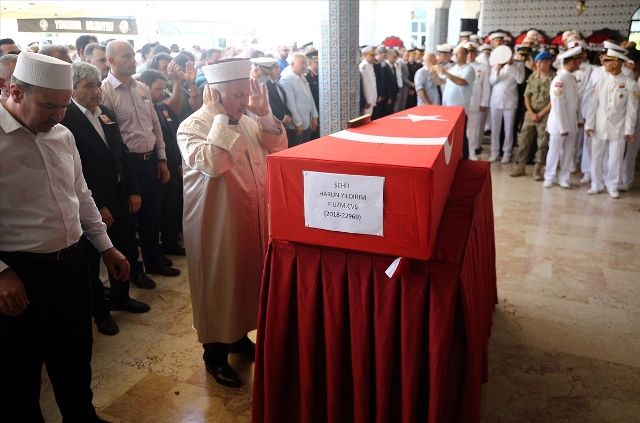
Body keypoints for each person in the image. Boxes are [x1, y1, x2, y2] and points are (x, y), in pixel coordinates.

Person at [0, 51, 129, 423]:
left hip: (71, 265)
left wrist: (106, 246)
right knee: (19, 372)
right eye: (49, 106)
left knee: (74, 356)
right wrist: (2, 273)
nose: (58, 115)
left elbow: (81, 195)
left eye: (64, 106)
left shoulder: (62, 134)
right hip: (20, 274)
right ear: (15, 93)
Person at [176, 59, 288, 387]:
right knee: (219, 286)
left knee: (247, 280)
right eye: (238, 95)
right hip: (217, 225)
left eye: (246, 94)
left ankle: (238, 338)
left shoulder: (247, 120)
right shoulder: (192, 126)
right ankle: (214, 355)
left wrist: (264, 113)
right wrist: (221, 118)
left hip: (253, 217)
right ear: (215, 94)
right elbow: (215, 163)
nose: (244, 102)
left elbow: (279, 147)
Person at [60, 62, 150, 336]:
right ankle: (100, 313)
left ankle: (121, 297)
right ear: (73, 90)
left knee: (123, 246)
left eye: (98, 85)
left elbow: (122, 154)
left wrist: (133, 189)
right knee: (93, 259)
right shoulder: (66, 120)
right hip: (92, 201)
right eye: (89, 86)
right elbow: (79, 170)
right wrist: (99, 205)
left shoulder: (106, 114)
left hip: (119, 195)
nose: (97, 91)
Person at [101, 40, 180, 285]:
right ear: (111, 61)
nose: (133, 60)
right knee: (130, 220)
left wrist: (162, 159)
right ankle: (134, 269)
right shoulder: (106, 92)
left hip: (150, 160)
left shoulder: (142, 88)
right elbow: (110, 136)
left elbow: (155, 125)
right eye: (126, 56)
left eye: (132, 55)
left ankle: (153, 259)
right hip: (128, 164)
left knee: (151, 214)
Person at [139, 69, 185, 256]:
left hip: (171, 163)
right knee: (156, 210)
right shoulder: (142, 110)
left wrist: (178, 162)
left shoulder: (162, 107)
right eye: (158, 89)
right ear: (145, 87)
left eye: (164, 89)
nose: (162, 93)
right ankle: (157, 250)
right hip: (156, 165)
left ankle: (171, 242)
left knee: (171, 206)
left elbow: (172, 136)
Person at [585, 49, 638, 198]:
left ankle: (613, 185)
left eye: (607, 61)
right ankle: (596, 184)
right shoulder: (600, 82)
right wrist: (589, 124)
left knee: (616, 158)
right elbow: (592, 105)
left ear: (615, 63)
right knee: (596, 156)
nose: (604, 63)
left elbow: (631, 110)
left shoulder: (630, 84)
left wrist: (629, 130)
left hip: (618, 127)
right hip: (600, 126)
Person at [511, 50, 555, 179]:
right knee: (524, 139)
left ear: (549, 62)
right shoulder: (533, 76)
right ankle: (521, 166)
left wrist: (540, 114)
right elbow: (527, 96)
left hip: (545, 114)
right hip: (531, 113)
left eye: (541, 62)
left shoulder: (554, 78)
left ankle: (538, 169)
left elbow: (554, 100)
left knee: (542, 142)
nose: (538, 65)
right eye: (537, 62)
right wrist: (531, 112)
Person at [543, 46, 583, 189]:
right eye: (579, 60)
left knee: (568, 152)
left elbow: (576, 102)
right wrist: (563, 127)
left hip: (571, 122)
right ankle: (549, 176)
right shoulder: (559, 79)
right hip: (559, 124)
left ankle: (564, 177)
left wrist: (579, 120)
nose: (580, 63)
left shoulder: (572, 78)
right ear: (573, 62)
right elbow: (558, 104)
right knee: (554, 151)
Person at [432, 45, 476, 159]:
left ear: (465, 55)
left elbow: (461, 82)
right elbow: (440, 82)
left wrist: (445, 73)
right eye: (455, 53)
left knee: (460, 134)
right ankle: (452, 157)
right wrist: (434, 73)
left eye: (458, 53)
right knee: (450, 135)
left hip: (460, 107)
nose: (455, 56)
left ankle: (465, 158)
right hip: (448, 107)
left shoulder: (469, 69)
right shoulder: (453, 69)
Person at [489, 48, 525, 163]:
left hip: (510, 101)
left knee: (509, 129)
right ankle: (494, 152)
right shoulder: (495, 64)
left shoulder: (518, 65)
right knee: (495, 128)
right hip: (496, 100)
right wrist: (497, 70)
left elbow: (520, 80)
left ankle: (507, 152)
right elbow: (491, 81)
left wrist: (512, 66)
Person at [280, 53, 319, 147]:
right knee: (297, 149)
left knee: (306, 148)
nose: (304, 66)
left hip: (307, 121)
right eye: (302, 63)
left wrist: (315, 117)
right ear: (293, 64)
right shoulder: (286, 79)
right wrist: (298, 123)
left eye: (305, 63)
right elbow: (291, 103)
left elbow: (310, 98)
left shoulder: (302, 77)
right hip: (296, 125)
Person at [466, 42, 491, 160]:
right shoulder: (459, 67)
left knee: (472, 130)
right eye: (468, 53)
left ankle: (471, 152)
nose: (470, 55)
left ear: (476, 54)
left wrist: (484, 102)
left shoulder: (482, 68)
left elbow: (485, 86)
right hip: (461, 103)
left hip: (475, 102)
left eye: (472, 52)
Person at [379, 46, 400, 117]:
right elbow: (386, 84)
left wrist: (397, 92)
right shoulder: (385, 67)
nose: (395, 59)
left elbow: (395, 80)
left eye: (396, 57)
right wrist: (389, 97)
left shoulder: (393, 66)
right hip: (388, 96)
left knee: (391, 112)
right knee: (386, 113)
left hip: (393, 94)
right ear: (389, 56)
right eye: (394, 57)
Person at [304, 50, 320, 139]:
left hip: (319, 111)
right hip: (312, 113)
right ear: (310, 63)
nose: (320, 64)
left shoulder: (318, 75)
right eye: (317, 62)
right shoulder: (307, 76)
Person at [359, 46, 378, 116]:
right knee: (366, 118)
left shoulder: (370, 66)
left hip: (372, 97)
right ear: (365, 55)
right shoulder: (363, 67)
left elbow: (373, 84)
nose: (373, 57)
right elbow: (365, 85)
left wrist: (374, 97)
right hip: (368, 99)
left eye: (374, 55)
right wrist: (368, 100)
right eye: (371, 55)